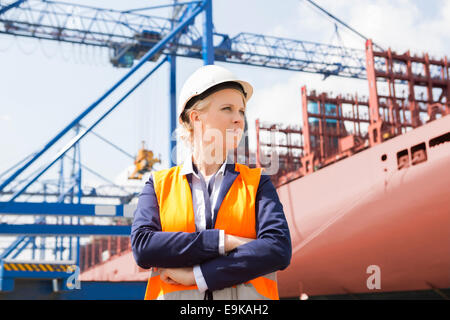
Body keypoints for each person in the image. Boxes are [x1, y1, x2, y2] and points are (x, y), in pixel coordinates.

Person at [131, 64, 292, 300]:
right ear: (196, 118)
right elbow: (144, 248)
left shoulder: (257, 183)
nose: (238, 119)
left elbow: (278, 250)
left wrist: (197, 276)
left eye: (241, 111)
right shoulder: (157, 185)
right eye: (228, 108)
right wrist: (222, 241)